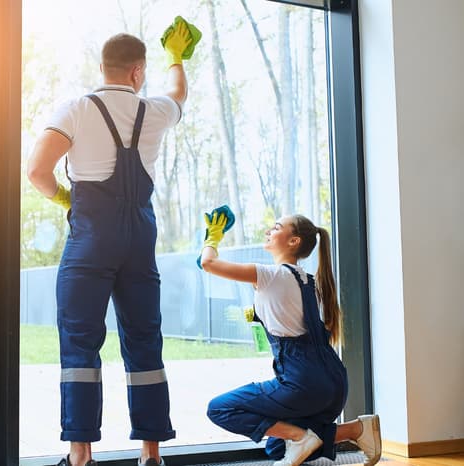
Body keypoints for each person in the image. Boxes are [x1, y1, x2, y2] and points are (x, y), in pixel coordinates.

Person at [26, 17, 199, 466]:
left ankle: (80, 456)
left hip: (90, 241)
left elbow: (36, 172)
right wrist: (177, 57)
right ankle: (151, 454)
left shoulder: (75, 109)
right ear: (137, 72)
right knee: (144, 341)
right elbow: (180, 93)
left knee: (81, 344)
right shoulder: (155, 109)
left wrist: (66, 197)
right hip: (139, 240)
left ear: (103, 67)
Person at [198, 209, 383, 466]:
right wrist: (260, 316)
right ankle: (354, 430)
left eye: (275, 227)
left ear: (293, 241)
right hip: (334, 384)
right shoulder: (310, 281)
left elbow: (208, 263)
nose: (268, 231)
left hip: (303, 383)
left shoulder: (271, 275)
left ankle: (299, 436)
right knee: (276, 446)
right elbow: (296, 319)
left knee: (219, 408)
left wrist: (212, 238)